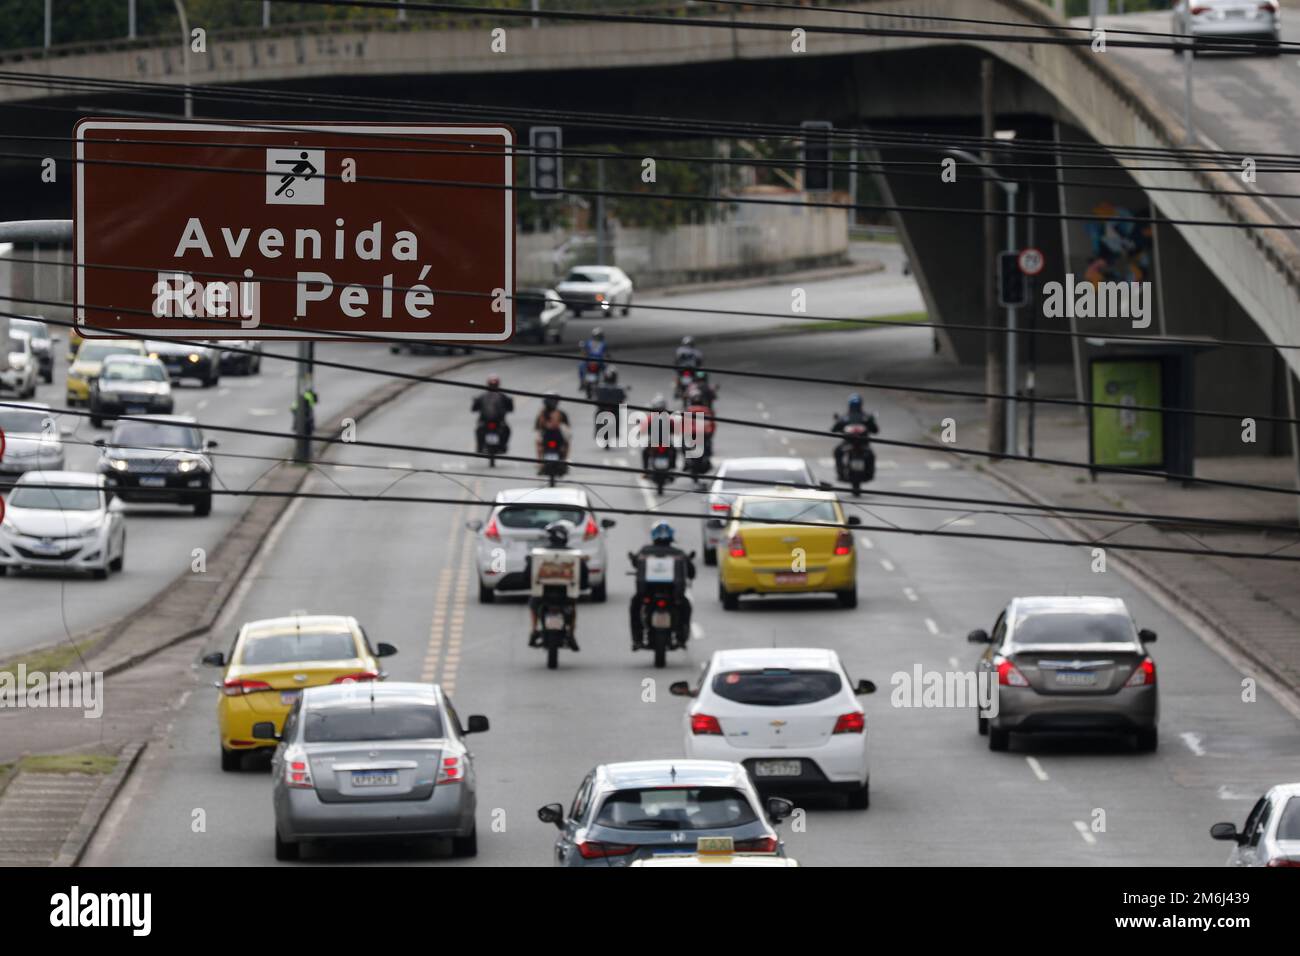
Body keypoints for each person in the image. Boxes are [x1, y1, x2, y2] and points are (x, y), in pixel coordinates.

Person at [628, 521, 696, 650]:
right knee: (685, 606)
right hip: (668, 595)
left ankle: (637, 639)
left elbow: (635, 562)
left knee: (635, 606)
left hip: (651, 593)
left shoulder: (645, 551)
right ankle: (681, 638)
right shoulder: (679, 552)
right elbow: (691, 571)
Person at [527, 521, 586, 651]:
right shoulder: (574, 555)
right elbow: (584, 576)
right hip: (566, 596)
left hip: (543, 595)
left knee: (533, 603)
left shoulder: (539, 554)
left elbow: (528, 574)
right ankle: (571, 633)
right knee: (573, 606)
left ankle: (533, 630)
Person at [832, 393, 879, 480]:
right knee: (837, 451)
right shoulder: (849, 417)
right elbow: (835, 428)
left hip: (862, 444)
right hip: (850, 443)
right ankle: (840, 472)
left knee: (871, 455)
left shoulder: (864, 417)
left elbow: (875, 429)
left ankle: (868, 472)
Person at [471, 375, 513, 450]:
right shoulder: (483, 396)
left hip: (497, 422)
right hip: (487, 422)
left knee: (507, 430)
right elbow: (474, 408)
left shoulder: (501, 396)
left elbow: (510, 407)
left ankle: (501, 445)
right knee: (479, 430)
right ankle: (480, 446)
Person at [639, 394, 676, 472]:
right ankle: (672, 467)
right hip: (663, 443)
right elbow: (675, 429)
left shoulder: (652, 418)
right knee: (674, 451)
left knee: (645, 452)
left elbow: (643, 429)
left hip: (656, 443)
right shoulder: (667, 418)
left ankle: (645, 470)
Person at [592, 365, 629, 445]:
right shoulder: (617, 387)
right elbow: (623, 399)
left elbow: (622, 399)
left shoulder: (601, 386)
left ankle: (603, 432)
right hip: (607, 409)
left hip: (608, 409)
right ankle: (611, 432)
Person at [534, 391, 572, 468]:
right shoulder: (543, 413)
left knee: (566, 442)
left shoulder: (559, 413)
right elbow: (539, 427)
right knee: (538, 442)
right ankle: (540, 461)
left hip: (555, 436)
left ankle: (540, 461)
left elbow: (538, 427)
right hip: (549, 436)